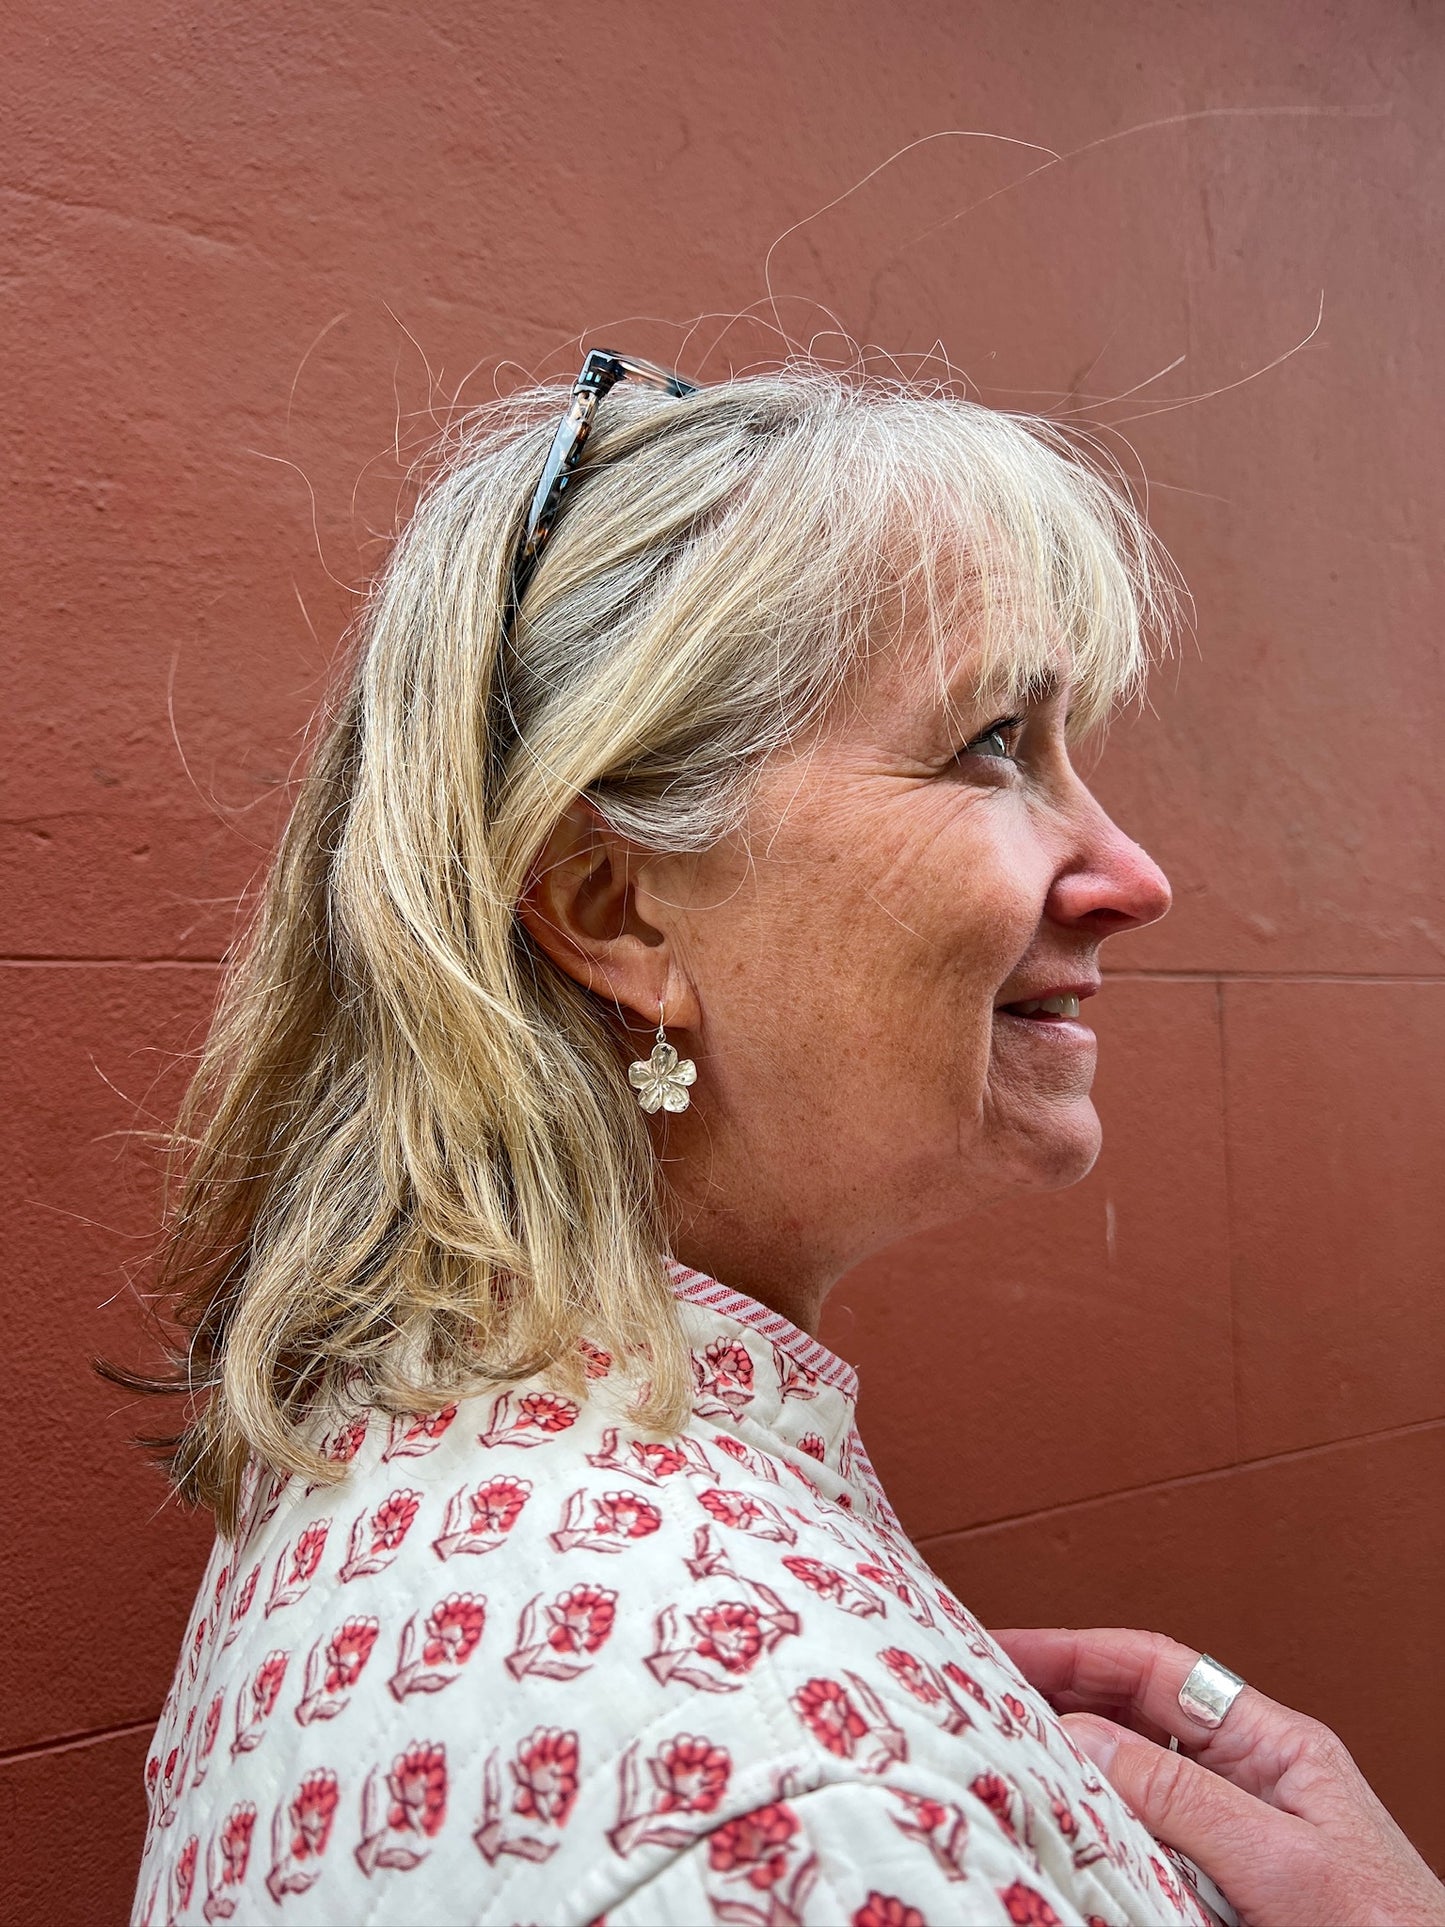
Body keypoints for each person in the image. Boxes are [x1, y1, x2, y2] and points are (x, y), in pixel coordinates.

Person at [127, 355, 1444, 1926]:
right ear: (618, 911)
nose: (1128, 872)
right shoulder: (780, 1802)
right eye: (993, 743)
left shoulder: (410, 1458)